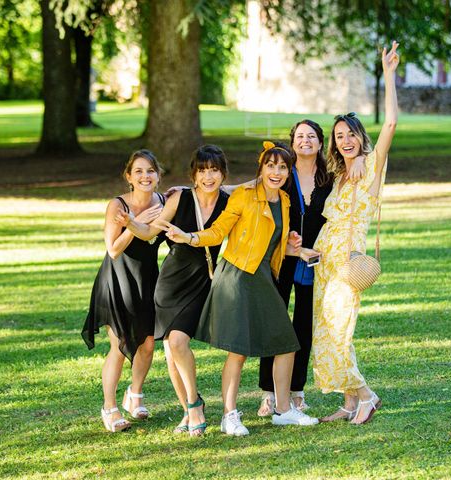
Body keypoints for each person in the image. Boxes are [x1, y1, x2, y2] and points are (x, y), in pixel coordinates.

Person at [157, 142, 320, 436]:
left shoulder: (283, 200)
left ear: (288, 171)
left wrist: (300, 250)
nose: (277, 172)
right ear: (261, 169)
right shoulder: (244, 196)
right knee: (239, 351)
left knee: (286, 343)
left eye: (283, 167)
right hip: (237, 276)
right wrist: (189, 237)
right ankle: (229, 415)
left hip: (262, 276)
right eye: (270, 166)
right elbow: (218, 231)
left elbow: (275, 246)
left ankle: (283, 410)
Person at [312, 41, 399, 425]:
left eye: (350, 134)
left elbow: (392, 124)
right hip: (323, 261)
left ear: (361, 136)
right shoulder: (342, 175)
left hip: (347, 263)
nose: (345, 140)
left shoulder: (371, 166)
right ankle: (349, 402)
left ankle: (365, 395)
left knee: (338, 330)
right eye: (339, 136)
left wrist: (389, 75)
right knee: (324, 328)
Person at [116, 145, 229, 437]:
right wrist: (130, 223)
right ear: (193, 174)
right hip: (171, 282)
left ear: (222, 173)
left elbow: (251, 186)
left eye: (214, 170)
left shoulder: (229, 201)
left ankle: (194, 405)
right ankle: (189, 409)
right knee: (170, 350)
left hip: (203, 281)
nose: (208, 176)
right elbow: (149, 232)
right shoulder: (180, 198)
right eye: (202, 170)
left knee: (178, 342)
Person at [257, 121, 366, 416]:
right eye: (300, 136)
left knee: (304, 324)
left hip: (316, 260)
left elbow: (360, 164)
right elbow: (251, 188)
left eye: (312, 136)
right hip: (282, 255)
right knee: (275, 322)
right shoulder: (282, 172)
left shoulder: (329, 176)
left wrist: (360, 158)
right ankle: (269, 392)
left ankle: (297, 391)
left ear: (320, 143)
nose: (305, 141)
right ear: (292, 142)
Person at [81, 149, 165, 433]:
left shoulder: (165, 201)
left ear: (158, 175)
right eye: (138, 171)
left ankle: (135, 394)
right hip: (117, 278)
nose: (145, 176)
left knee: (149, 343)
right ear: (128, 176)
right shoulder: (117, 205)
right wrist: (131, 224)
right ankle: (109, 407)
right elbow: (113, 250)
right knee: (119, 345)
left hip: (148, 279)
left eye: (150, 171)